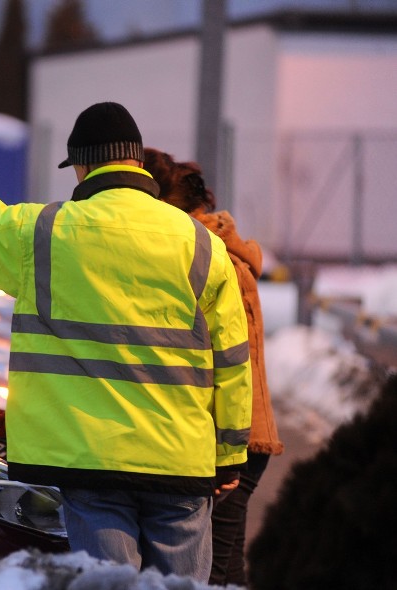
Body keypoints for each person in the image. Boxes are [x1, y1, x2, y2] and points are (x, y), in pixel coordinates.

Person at [0, 102, 252, 582]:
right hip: (182, 464)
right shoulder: (203, 245)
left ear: (84, 165)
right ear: (136, 162)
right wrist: (230, 455)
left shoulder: (44, 233)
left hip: (93, 462)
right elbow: (233, 360)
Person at [143, 148, 284, 586]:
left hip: (234, 441)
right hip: (233, 438)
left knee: (216, 572)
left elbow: (229, 360)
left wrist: (227, 445)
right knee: (219, 566)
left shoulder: (212, 257)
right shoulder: (211, 248)